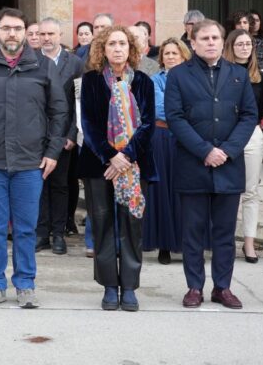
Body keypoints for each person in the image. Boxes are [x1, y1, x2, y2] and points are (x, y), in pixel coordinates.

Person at [0, 7, 68, 309]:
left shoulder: (44, 67)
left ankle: (25, 284)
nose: (12, 34)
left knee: (25, 228)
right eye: (6, 28)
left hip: (30, 164)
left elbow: (59, 113)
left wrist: (52, 152)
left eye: (18, 28)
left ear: (25, 32)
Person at [165, 19, 258, 310]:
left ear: (222, 41)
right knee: (192, 231)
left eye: (215, 37)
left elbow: (248, 116)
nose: (210, 42)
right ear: (193, 43)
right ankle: (194, 287)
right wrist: (205, 150)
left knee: (224, 232)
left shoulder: (238, 75)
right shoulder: (179, 75)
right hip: (193, 163)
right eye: (204, 38)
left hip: (228, 166)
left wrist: (227, 151)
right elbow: (175, 117)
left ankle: (222, 287)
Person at [78, 25, 155, 311]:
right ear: (103, 49)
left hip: (136, 164)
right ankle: (110, 286)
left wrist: (127, 156)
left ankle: (130, 286)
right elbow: (88, 124)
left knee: (132, 225)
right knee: (103, 224)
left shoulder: (144, 82)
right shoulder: (91, 81)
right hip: (99, 163)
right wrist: (111, 155)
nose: (118, 48)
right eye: (112, 44)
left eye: (123, 43)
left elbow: (148, 125)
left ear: (131, 49)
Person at [35, 18, 84, 256]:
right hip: (34, 136)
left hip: (63, 135)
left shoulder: (75, 63)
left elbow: (79, 103)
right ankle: (41, 234)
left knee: (60, 185)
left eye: (51, 34)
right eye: (42, 34)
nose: (46, 38)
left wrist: (73, 133)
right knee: (38, 185)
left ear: (60, 35)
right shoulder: (29, 60)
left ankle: (58, 234)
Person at [144, 38, 190, 265]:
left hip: (188, 141)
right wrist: (184, 111)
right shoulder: (155, 80)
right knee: (162, 192)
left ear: (183, 56)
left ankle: (187, 243)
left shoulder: (193, 78)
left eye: (175, 53)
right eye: (166, 53)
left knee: (186, 192)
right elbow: (161, 108)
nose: (170, 57)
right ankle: (164, 245)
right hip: (161, 138)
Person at [223, 29, 263, 264]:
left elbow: (259, 111)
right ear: (231, 46)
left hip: (251, 136)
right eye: (239, 44)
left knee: (250, 191)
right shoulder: (221, 74)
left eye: (248, 44)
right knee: (226, 191)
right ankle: (224, 240)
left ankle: (249, 243)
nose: (244, 47)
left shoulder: (260, 76)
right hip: (225, 136)